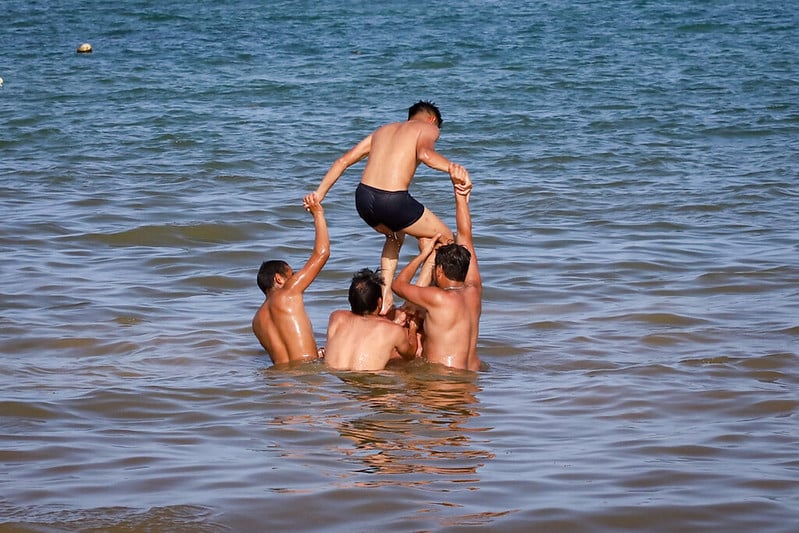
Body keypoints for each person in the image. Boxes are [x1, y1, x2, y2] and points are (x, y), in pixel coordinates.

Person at [311, 100, 471, 314]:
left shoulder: (382, 130)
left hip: (364, 199)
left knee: (395, 236)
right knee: (445, 239)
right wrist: (455, 170)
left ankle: (385, 299)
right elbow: (425, 155)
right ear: (432, 119)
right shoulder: (428, 127)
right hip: (393, 201)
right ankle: (413, 301)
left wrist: (318, 194)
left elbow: (343, 161)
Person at [392, 163, 482, 371]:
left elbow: (398, 285)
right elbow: (465, 235)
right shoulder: (474, 291)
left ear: (439, 271)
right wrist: (460, 197)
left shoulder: (437, 298)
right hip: (472, 380)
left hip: (443, 381)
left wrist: (424, 254)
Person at [252, 193, 330, 365]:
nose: (296, 279)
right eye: (292, 275)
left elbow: (287, 357)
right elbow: (322, 254)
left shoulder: (257, 321)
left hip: (280, 384)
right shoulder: (288, 293)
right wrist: (318, 214)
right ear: (279, 279)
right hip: (306, 377)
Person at [324, 268, 418, 371]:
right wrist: (413, 327)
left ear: (350, 299)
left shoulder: (336, 317)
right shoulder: (394, 330)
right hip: (367, 384)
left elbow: (362, 331)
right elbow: (410, 355)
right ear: (379, 302)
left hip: (334, 381)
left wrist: (394, 323)